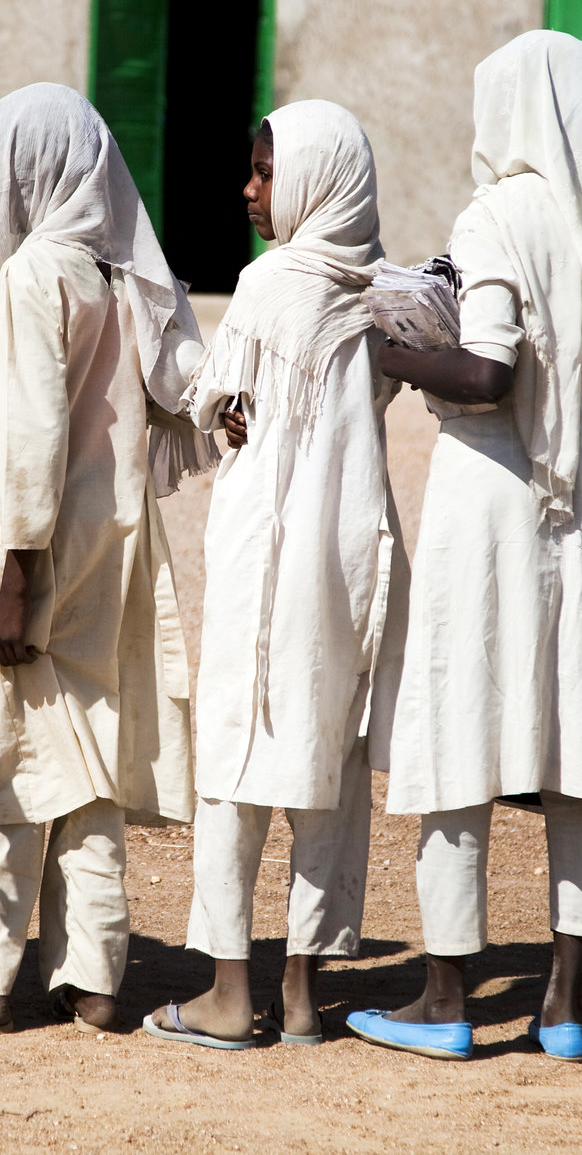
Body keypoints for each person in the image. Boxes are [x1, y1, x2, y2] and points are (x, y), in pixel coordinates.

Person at [347, 31, 582, 1063]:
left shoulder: (495, 218)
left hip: (490, 492)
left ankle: (445, 995)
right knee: (571, 733)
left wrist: (383, 343)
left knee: (456, 724)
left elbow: (482, 374)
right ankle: (566, 1002)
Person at [0, 83, 213, 1035]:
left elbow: (33, 431)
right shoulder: (117, 273)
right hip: (115, 539)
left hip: (38, 541)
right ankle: (93, 980)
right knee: (88, 759)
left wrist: (16, 575)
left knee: (2, 756)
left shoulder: (36, 272)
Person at [143, 102, 405, 1050]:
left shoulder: (268, 284)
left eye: (264, 173)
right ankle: (299, 991)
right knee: (323, 758)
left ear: (310, 180)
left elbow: (217, 396)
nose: (249, 190)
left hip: (272, 551)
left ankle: (225, 991)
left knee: (240, 752)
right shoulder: (378, 288)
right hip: (348, 551)